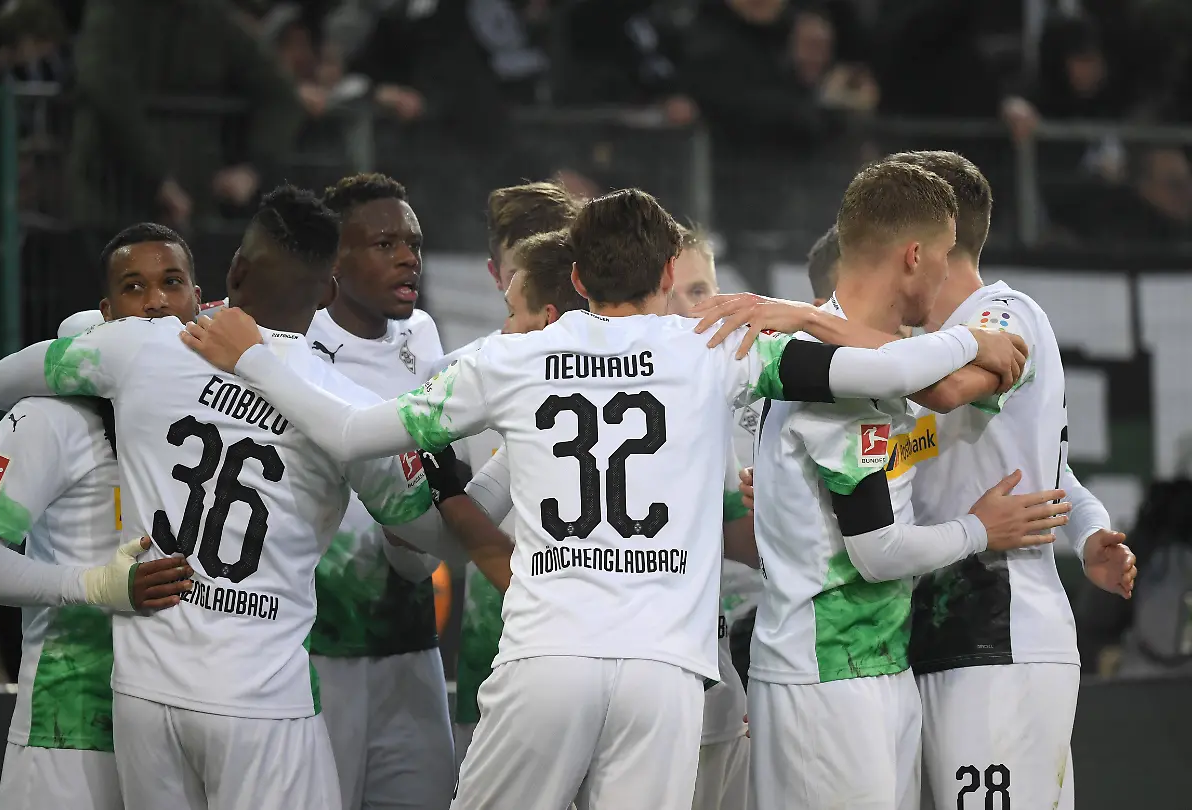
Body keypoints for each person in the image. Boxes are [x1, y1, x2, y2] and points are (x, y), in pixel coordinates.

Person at [182, 188, 1030, 810]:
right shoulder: (717, 348)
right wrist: (972, 339)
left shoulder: (508, 359)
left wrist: (251, 355)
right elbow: (888, 368)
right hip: (665, 672)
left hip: (546, 658)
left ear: (579, 276)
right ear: (667, 271)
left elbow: (348, 432)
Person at [0, 186, 454, 810]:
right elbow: (432, 540)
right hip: (261, 703)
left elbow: (6, 378)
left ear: (234, 272)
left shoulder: (139, 347)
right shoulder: (349, 409)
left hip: (145, 697)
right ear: (326, 294)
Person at [693, 161, 1071, 810]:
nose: (948, 273)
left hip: (880, 661)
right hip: (826, 674)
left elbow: (909, 376)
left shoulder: (867, 364)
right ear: (915, 256)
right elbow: (877, 551)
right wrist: (980, 529)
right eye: (945, 255)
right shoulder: (839, 379)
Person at [884, 150, 1135, 810]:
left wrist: (819, 335)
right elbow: (1050, 466)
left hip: (1001, 634)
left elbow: (948, 391)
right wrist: (1090, 531)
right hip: (934, 630)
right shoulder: (923, 341)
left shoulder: (1003, 314)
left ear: (921, 243)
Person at [0, 222, 200, 810]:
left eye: (172, 283)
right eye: (135, 287)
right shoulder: (50, 419)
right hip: (70, 729)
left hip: (184, 728)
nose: (156, 301)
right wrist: (93, 586)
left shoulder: (218, 419)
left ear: (198, 300)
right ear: (106, 313)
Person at [306, 173, 452, 810]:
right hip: (320, 643)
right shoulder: (295, 342)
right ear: (334, 259)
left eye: (413, 244)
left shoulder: (422, 334)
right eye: (385, 244)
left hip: (411, 634)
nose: (407, 258)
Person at [444, 181, 582, 764]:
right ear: (500, 275)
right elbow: (437, 534)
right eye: (523, 263)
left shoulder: (642, 373)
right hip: (496, 643)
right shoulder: (455, 377)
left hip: (593, 637)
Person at [669, 225, 754, 810]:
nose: (685, 311)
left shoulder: (751, 388)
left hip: (731, 676)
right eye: (670, 294)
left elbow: (748, 543)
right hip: (649, 689)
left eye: (700, 291)